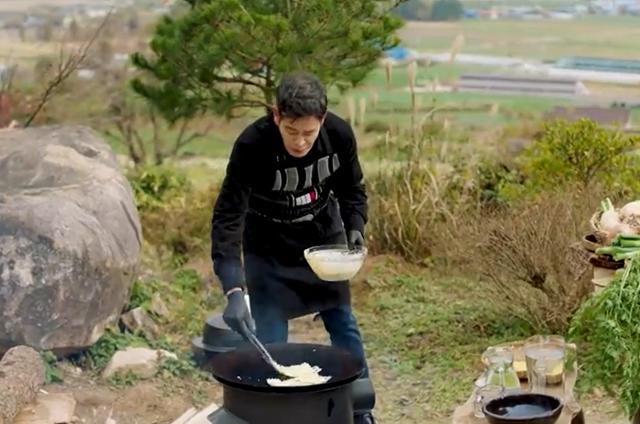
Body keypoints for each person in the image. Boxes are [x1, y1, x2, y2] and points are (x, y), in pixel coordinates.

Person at [210, 72, 374, 423]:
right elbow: (227, 218)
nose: (301, 143)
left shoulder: (339, 135)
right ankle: (278, 413)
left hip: (321, 237)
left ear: (323, 121)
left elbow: (352, 190)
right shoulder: (252, 146)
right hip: (267, 247)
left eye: (309, 133)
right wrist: (234, 290)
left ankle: (358, 408)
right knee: (271, 339)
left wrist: (356, 227)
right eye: (291, 131)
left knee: (343, 323)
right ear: (276, 116)